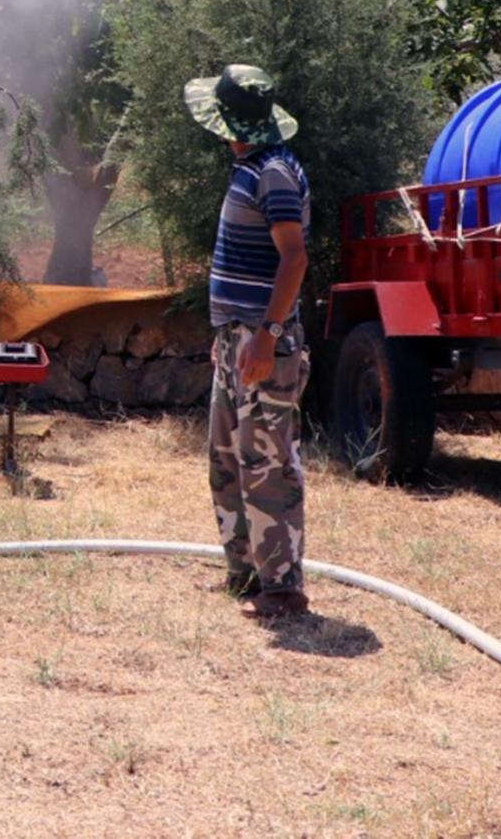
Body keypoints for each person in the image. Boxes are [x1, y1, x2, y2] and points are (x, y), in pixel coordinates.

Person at [184, 62, 315, 623]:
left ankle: (282, 590)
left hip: (263, 341)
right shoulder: (253, 168)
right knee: (228, 458)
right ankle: (244, 573)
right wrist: (232, 338)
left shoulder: (274, 174)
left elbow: (295, 258)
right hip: (237, 340)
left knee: (266, 461)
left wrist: (267, 335)